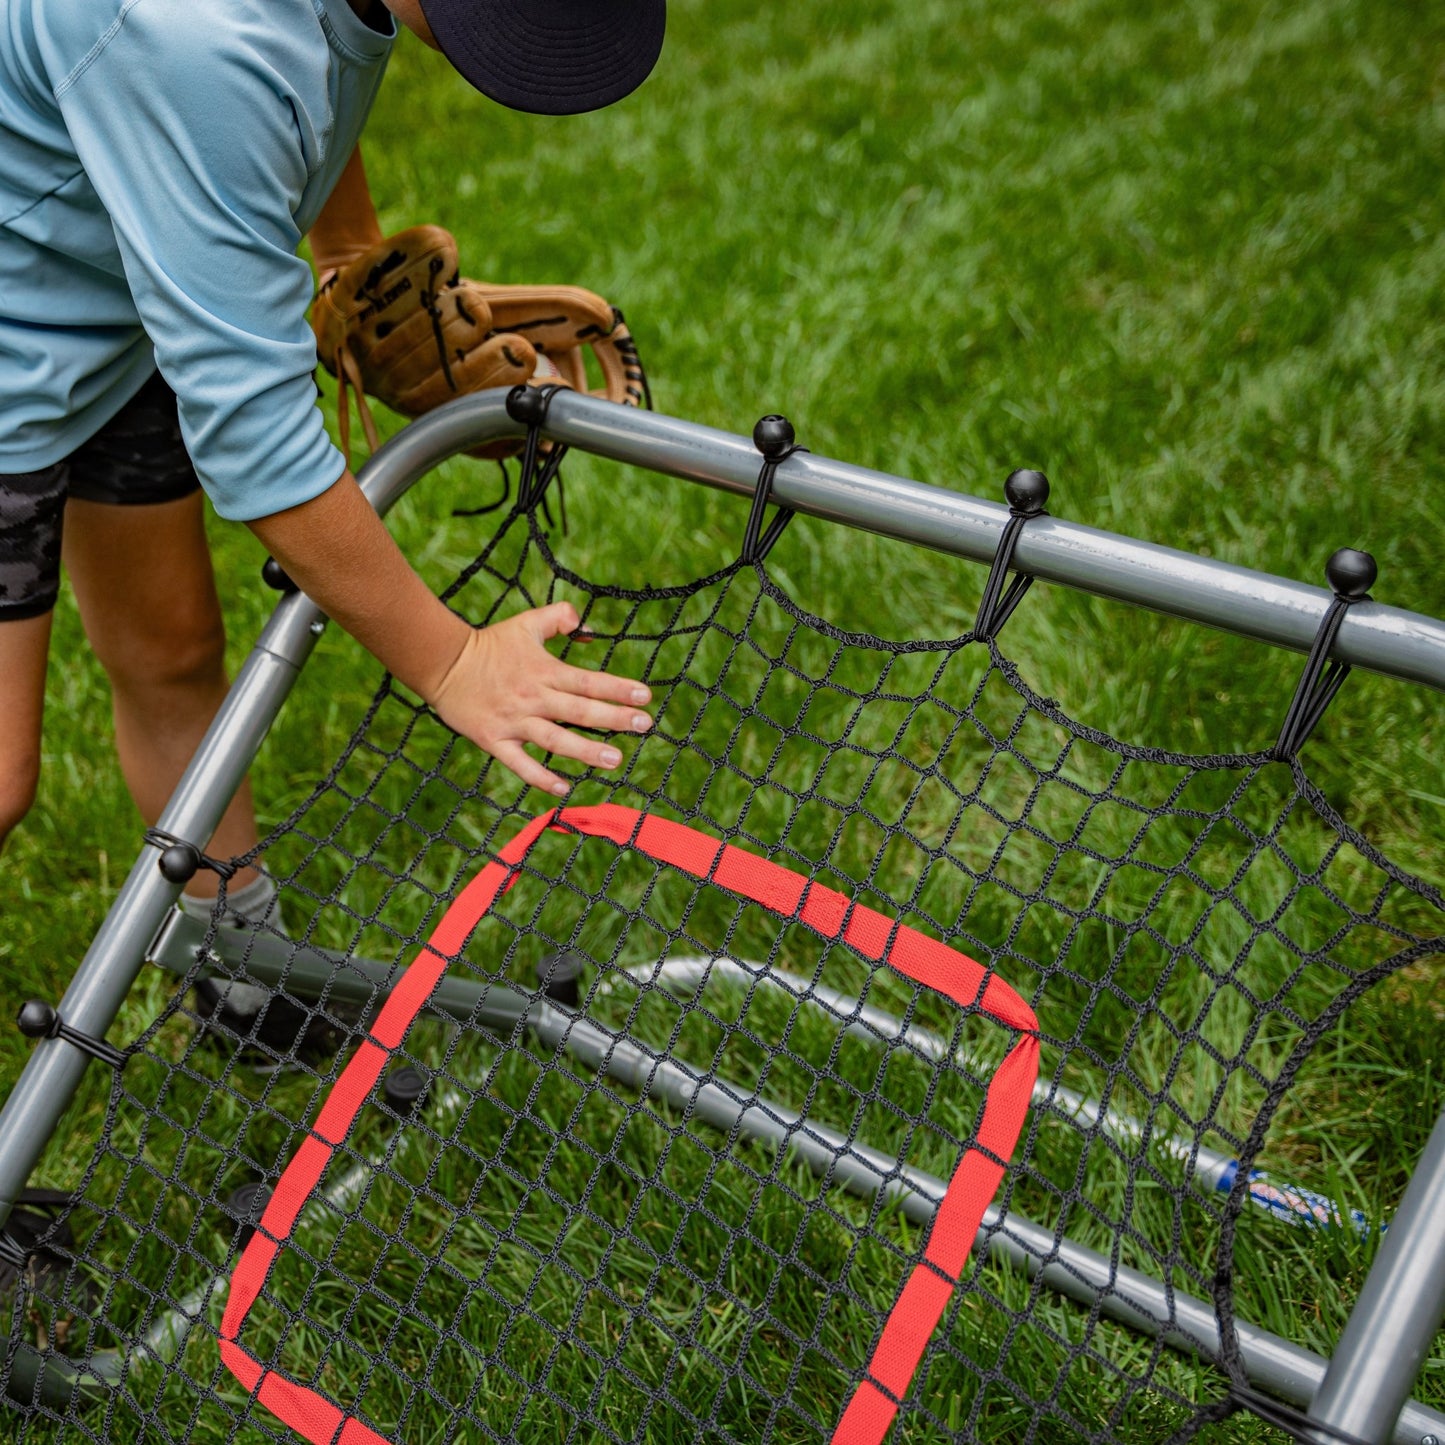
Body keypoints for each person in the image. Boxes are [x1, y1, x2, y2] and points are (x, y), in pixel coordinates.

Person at [0, 0, 668, 951]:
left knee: (172, 653)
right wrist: (453, 661)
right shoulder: (187, 39)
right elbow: (256, 439)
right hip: (26, 334)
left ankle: (239, 961)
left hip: (109, 302)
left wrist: (347, 252)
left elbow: (302, 72)